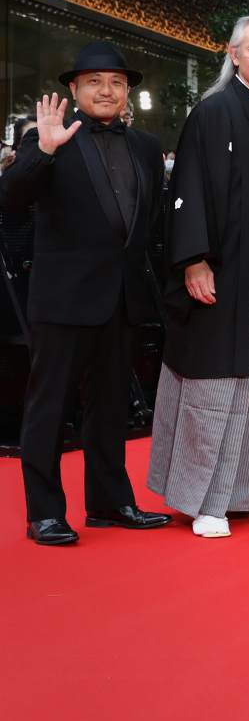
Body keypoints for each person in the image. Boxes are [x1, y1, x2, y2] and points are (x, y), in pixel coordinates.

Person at [146, 14, 249, 538]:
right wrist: (194, 259)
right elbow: (188, 188)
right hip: (227, 263)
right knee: (221, 384)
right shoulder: (213, 111)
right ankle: (207, 501)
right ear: (234, 54)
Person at [0, 40, 170, 545]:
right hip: (63, 298)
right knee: (49, 407)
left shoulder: (144, 145)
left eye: (116, 82)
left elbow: (148, 222)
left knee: (111, 407)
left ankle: (110, 502)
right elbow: (9, 201)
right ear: (74, 90)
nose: (106, 90)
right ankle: (45, 513)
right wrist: (44, 151)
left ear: (127, 94)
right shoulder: (48, 138)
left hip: (123, 296)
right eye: (94, 81)